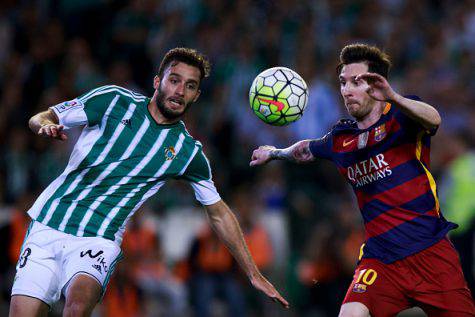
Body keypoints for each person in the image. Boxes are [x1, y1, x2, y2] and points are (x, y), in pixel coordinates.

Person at [10, 47, 288, 317]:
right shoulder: (114, 100)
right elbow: (44, 116)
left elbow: (218, 213)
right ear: (158, 81)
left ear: (196, 96)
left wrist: (253, 273)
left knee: (77, 306)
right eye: (174, 80)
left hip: (99, 237)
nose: (180, 91)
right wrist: (44, 125)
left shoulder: (187, 152)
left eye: (190, 86)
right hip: (48, 223)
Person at [250, 43, 475, 316]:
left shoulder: (402, 118)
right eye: (343, 82)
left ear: (377, 85)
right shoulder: (341, 139)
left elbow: (434, 119)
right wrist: (274, 153)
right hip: (380, 259)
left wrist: (394, 96)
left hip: (430, 253)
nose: (346, 90)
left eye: (356, 82)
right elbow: (305, 150)